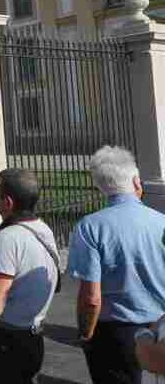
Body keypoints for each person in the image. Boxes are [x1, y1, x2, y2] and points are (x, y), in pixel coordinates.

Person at [68, 146, 165, 384]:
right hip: (160, 324)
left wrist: (85, 333)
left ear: (99, 186)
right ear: (136, 181)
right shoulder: (161, 221)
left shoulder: (90, 227)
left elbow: (91, 297)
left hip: (115, 332)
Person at [0, 168, 59, 384]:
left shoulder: (8, 238)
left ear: (7, 202)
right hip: (32, 336)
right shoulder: (42, 228)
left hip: (5, 342)